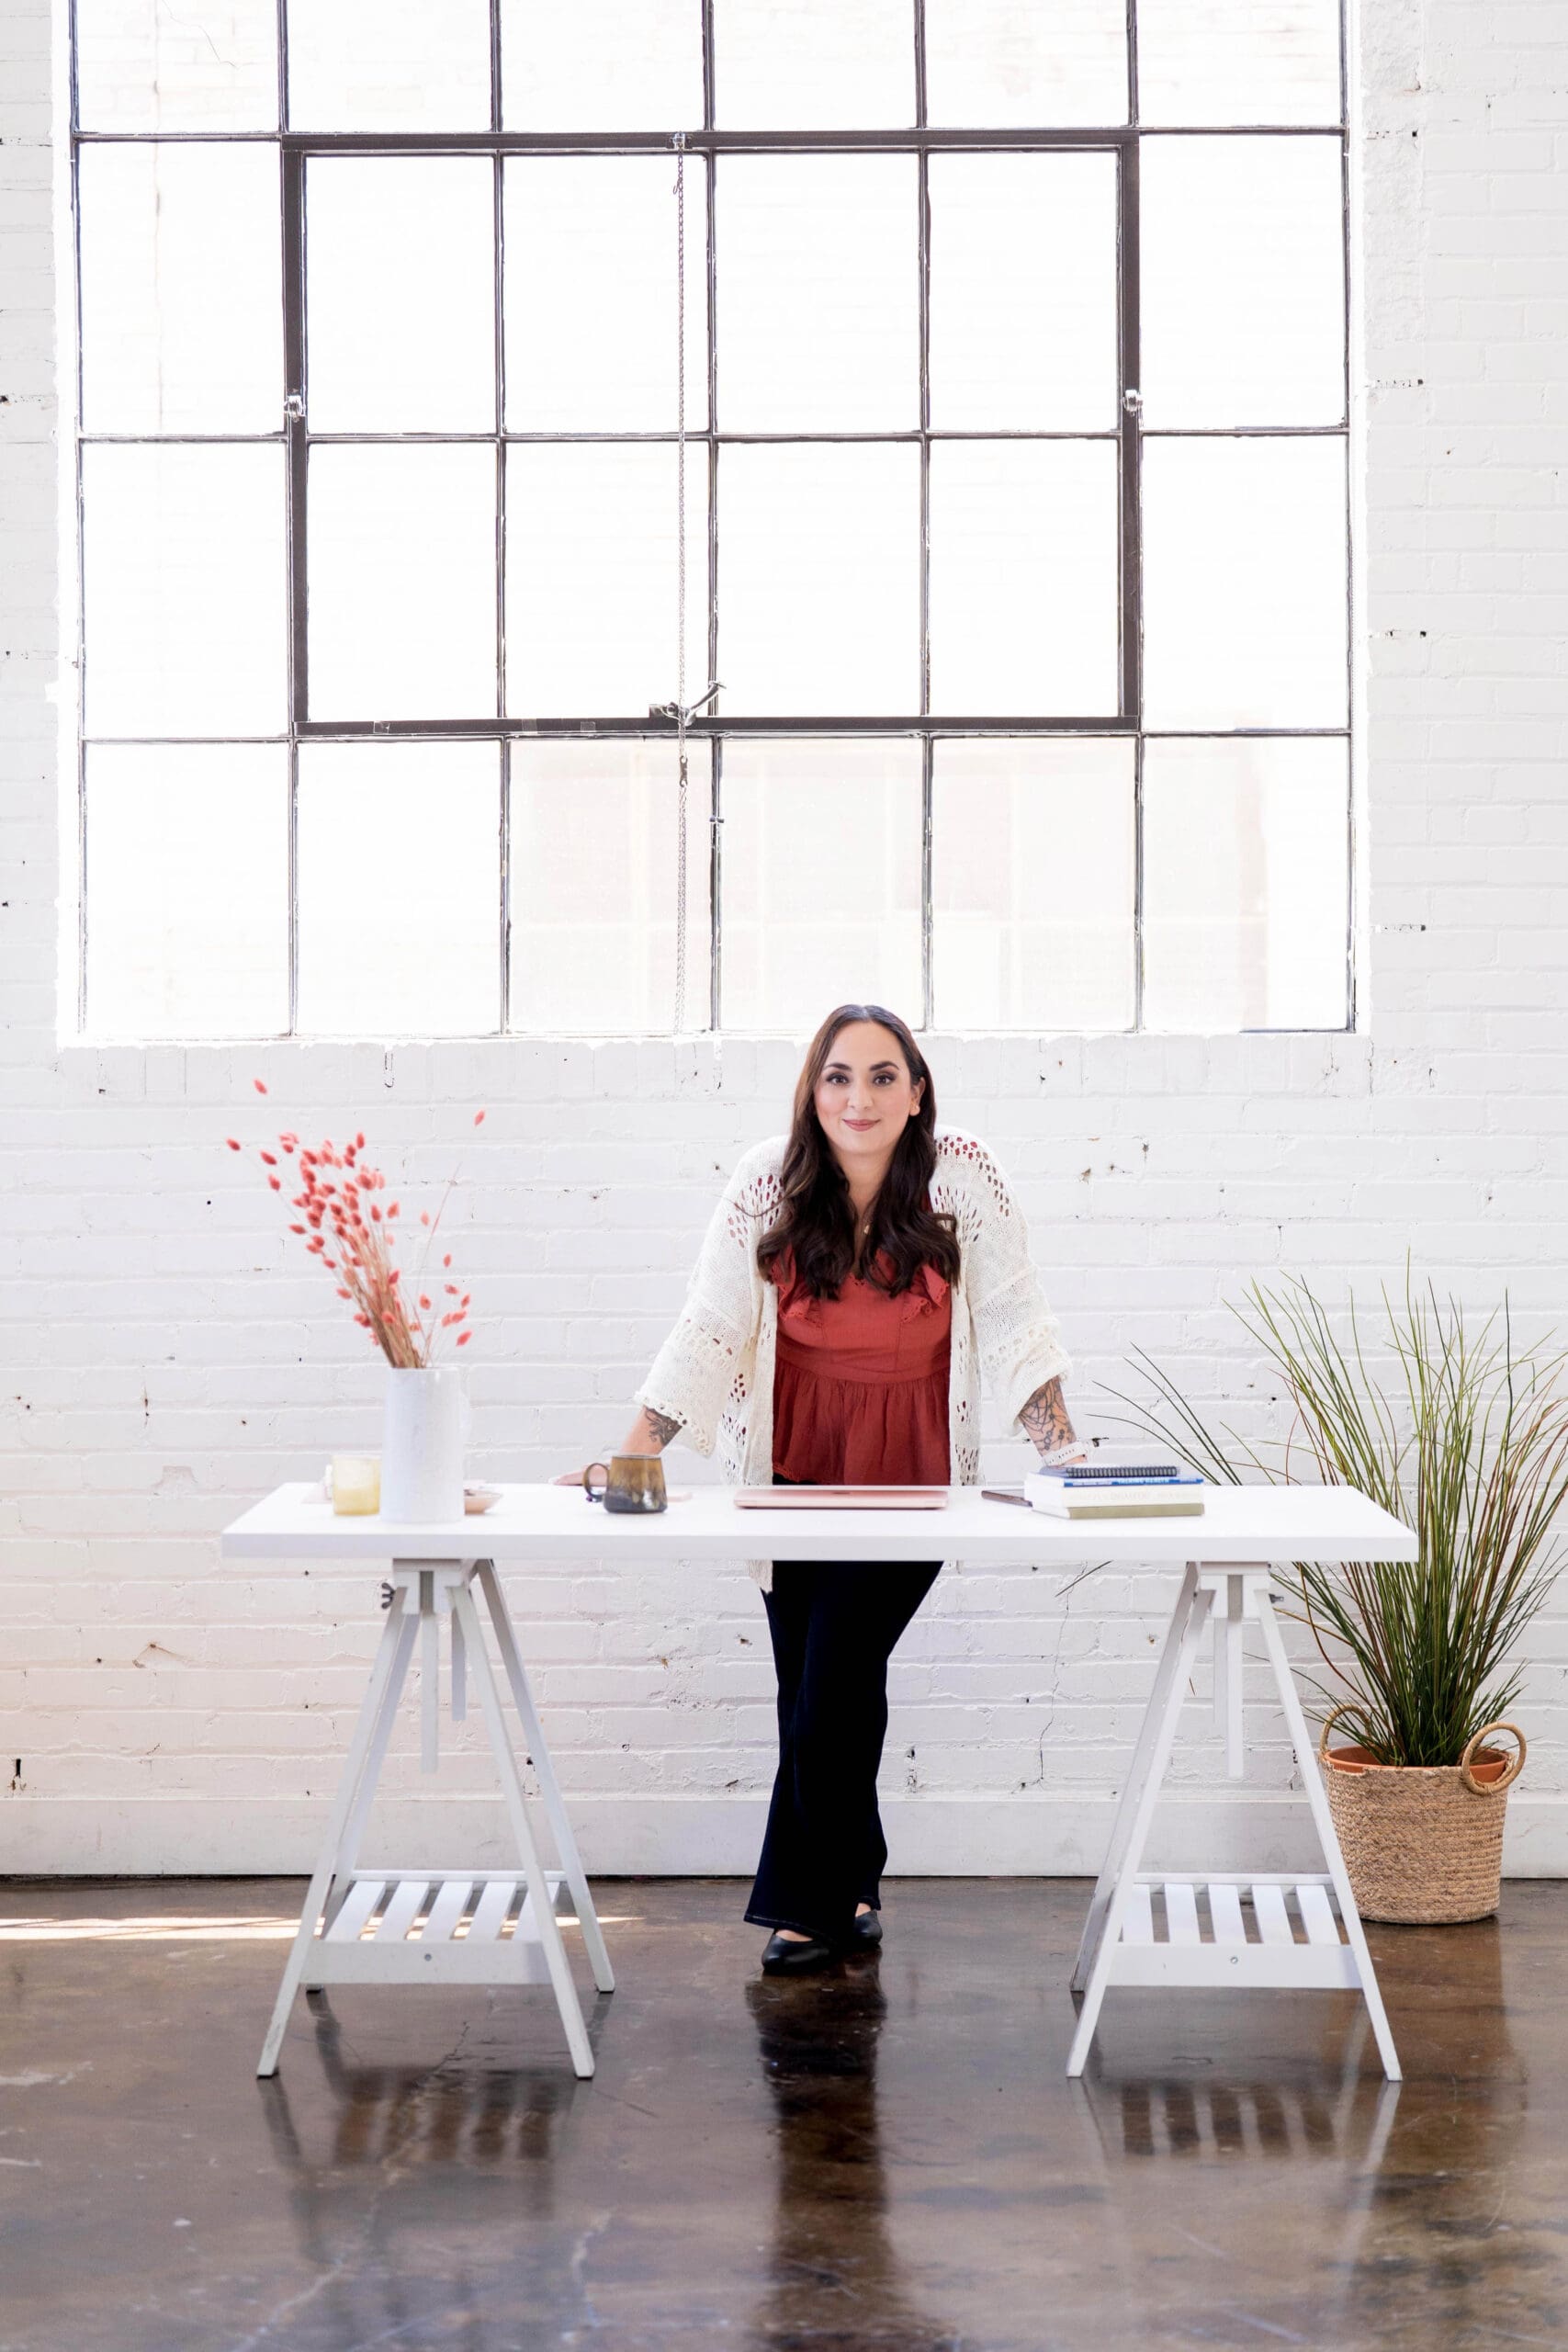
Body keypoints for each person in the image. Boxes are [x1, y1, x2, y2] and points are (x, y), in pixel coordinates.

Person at [561, 1002, 1085, 1974]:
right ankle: (855, 1877)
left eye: (885, 1075)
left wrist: (1064, 1456)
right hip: (789, 1478)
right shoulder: (767, 1183)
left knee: (830, 1685)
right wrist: (632, 1454)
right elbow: (711, 1331)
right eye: (840, 1076)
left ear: (917, 1091)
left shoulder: (962, 1175)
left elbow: (1015, 1317)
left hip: (915, 1480)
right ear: (813, 1091)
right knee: (817, 1687)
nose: (861, 1096)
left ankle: (805, 1906)